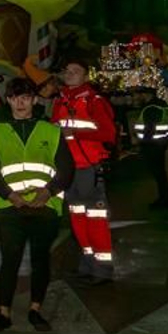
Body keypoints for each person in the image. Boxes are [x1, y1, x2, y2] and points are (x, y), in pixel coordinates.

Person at [0, 77, 74, 333]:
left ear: (34, 100)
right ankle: (3, 313)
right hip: (10, 208)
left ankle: (35, 309)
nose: (20, 103)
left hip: (45, 207)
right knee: (10, 258)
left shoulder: (51, 131)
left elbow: (66, 168)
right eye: (14, 98)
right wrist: (10, 195)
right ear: (8, 100)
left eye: (25, 98)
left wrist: (48, 192)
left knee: (40, 259)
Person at [50, 58, 118, 283]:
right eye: (67, 70)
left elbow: (108, 134)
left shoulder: (94, 101)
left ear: (86, 76)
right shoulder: (60, 101)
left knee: (95, 220)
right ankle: (87, 265)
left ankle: (102, 271)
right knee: (78, 220)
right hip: (68, 170)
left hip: (89, 168)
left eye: (75, 71)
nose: (69, 74)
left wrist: (74, 134)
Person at [134, 95, 168, 209]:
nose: (136, 97)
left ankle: (163, 200)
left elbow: (149, 128)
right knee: (161, 173)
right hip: (160, 144)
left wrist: (142, 144)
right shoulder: (162, 107)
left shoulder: (150, 108)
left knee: (158, 173)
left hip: (152, 145)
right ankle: (164, 199)